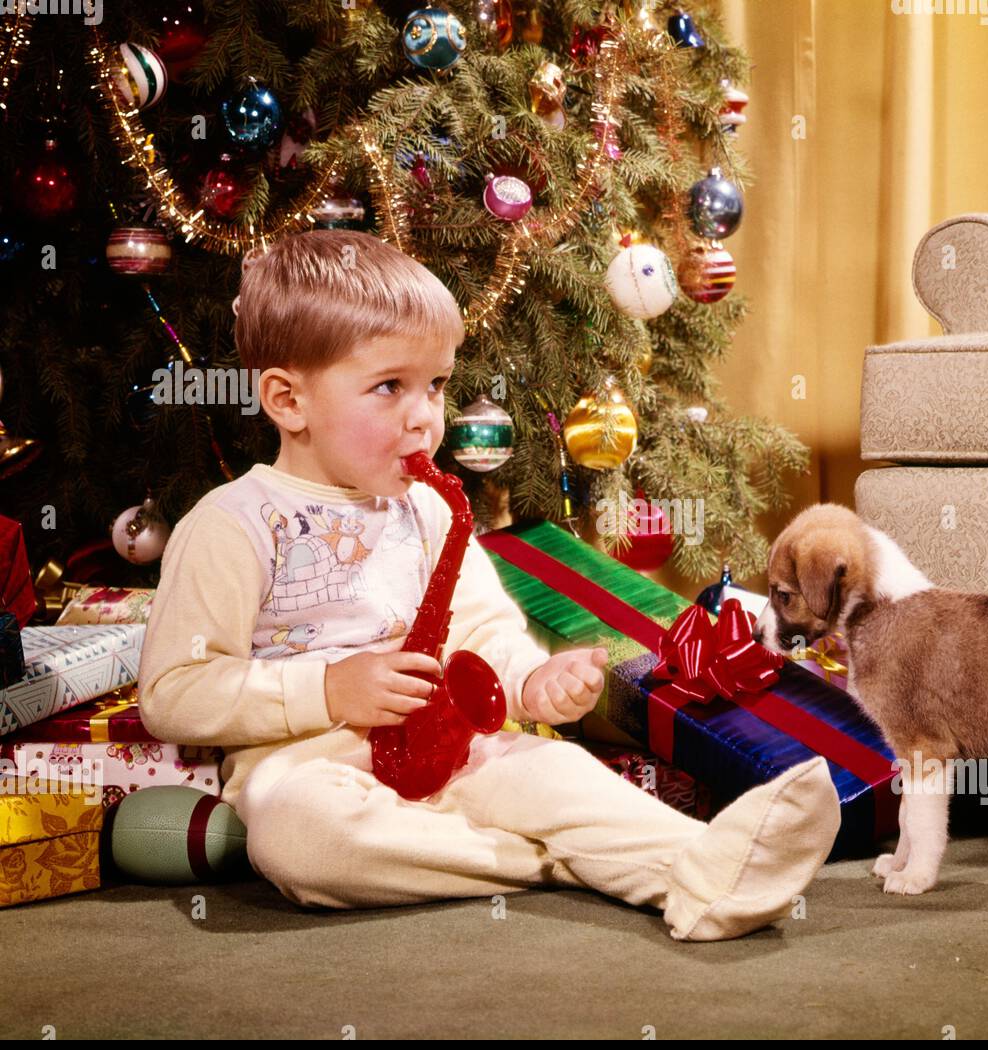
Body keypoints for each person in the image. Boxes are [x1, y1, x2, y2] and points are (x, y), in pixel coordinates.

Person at [137, 228, 840, 942]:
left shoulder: (434, 508)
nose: (425, 417)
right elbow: (174, 693)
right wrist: (328, 690)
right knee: (301, 843)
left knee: (557, 773)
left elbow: (483, 636)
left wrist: (534, 683)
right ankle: (560, 865)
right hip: (311, 770)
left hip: (455, 751)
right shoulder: (232, 525)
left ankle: (707, 865)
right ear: (289, 401)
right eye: (389, 387)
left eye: (435, 385)